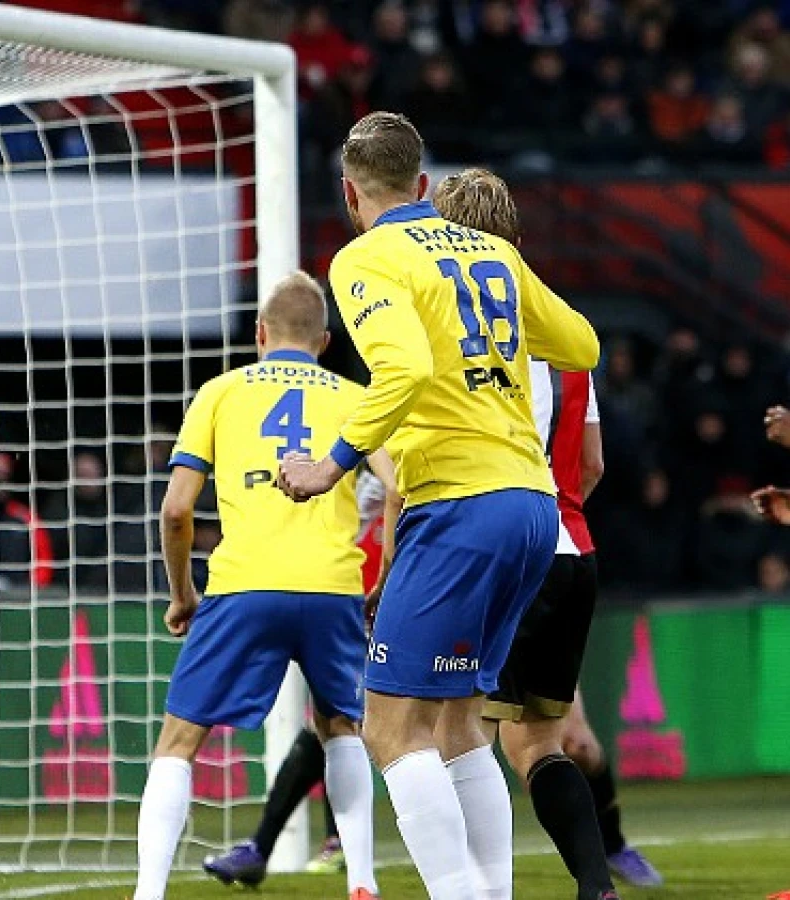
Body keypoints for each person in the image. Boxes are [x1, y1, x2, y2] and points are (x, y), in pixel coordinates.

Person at [276, 112, 599, 900]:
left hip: (459, 503)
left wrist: (332, 463)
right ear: (423, 185)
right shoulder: (492, 251)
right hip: (532, 508)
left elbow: (404, 371)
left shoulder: (364, 258)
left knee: (389, 728)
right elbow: (583, 344)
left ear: (352, 194)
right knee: (459, 729)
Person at [434, 166, 662, 894]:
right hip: (570, 550)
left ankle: (472, 886)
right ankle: (595, 885)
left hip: (494, 546)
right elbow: (590, 463)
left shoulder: (449, 327)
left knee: (449, 731)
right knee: (537, 742)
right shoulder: (562, 333)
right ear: (518, 238)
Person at [134, 272, 391, 900]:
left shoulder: (220, 392)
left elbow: (175, 510)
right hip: (332, 587)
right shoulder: (354, 398)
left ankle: (147, 893)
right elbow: (401, 490)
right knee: (341, 728)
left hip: (243, 585)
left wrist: (181, 594)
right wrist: (381, 578)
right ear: (325, 340)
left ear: (259, 334)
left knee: (179, 739)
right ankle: (362, 883)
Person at [201, 468, 399, 886]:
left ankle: (296, 848)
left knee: (345, 726)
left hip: (389, 607)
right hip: (351, 606)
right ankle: (296, 847)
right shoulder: (360, 473)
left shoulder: (389, 460)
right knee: (333, 725)